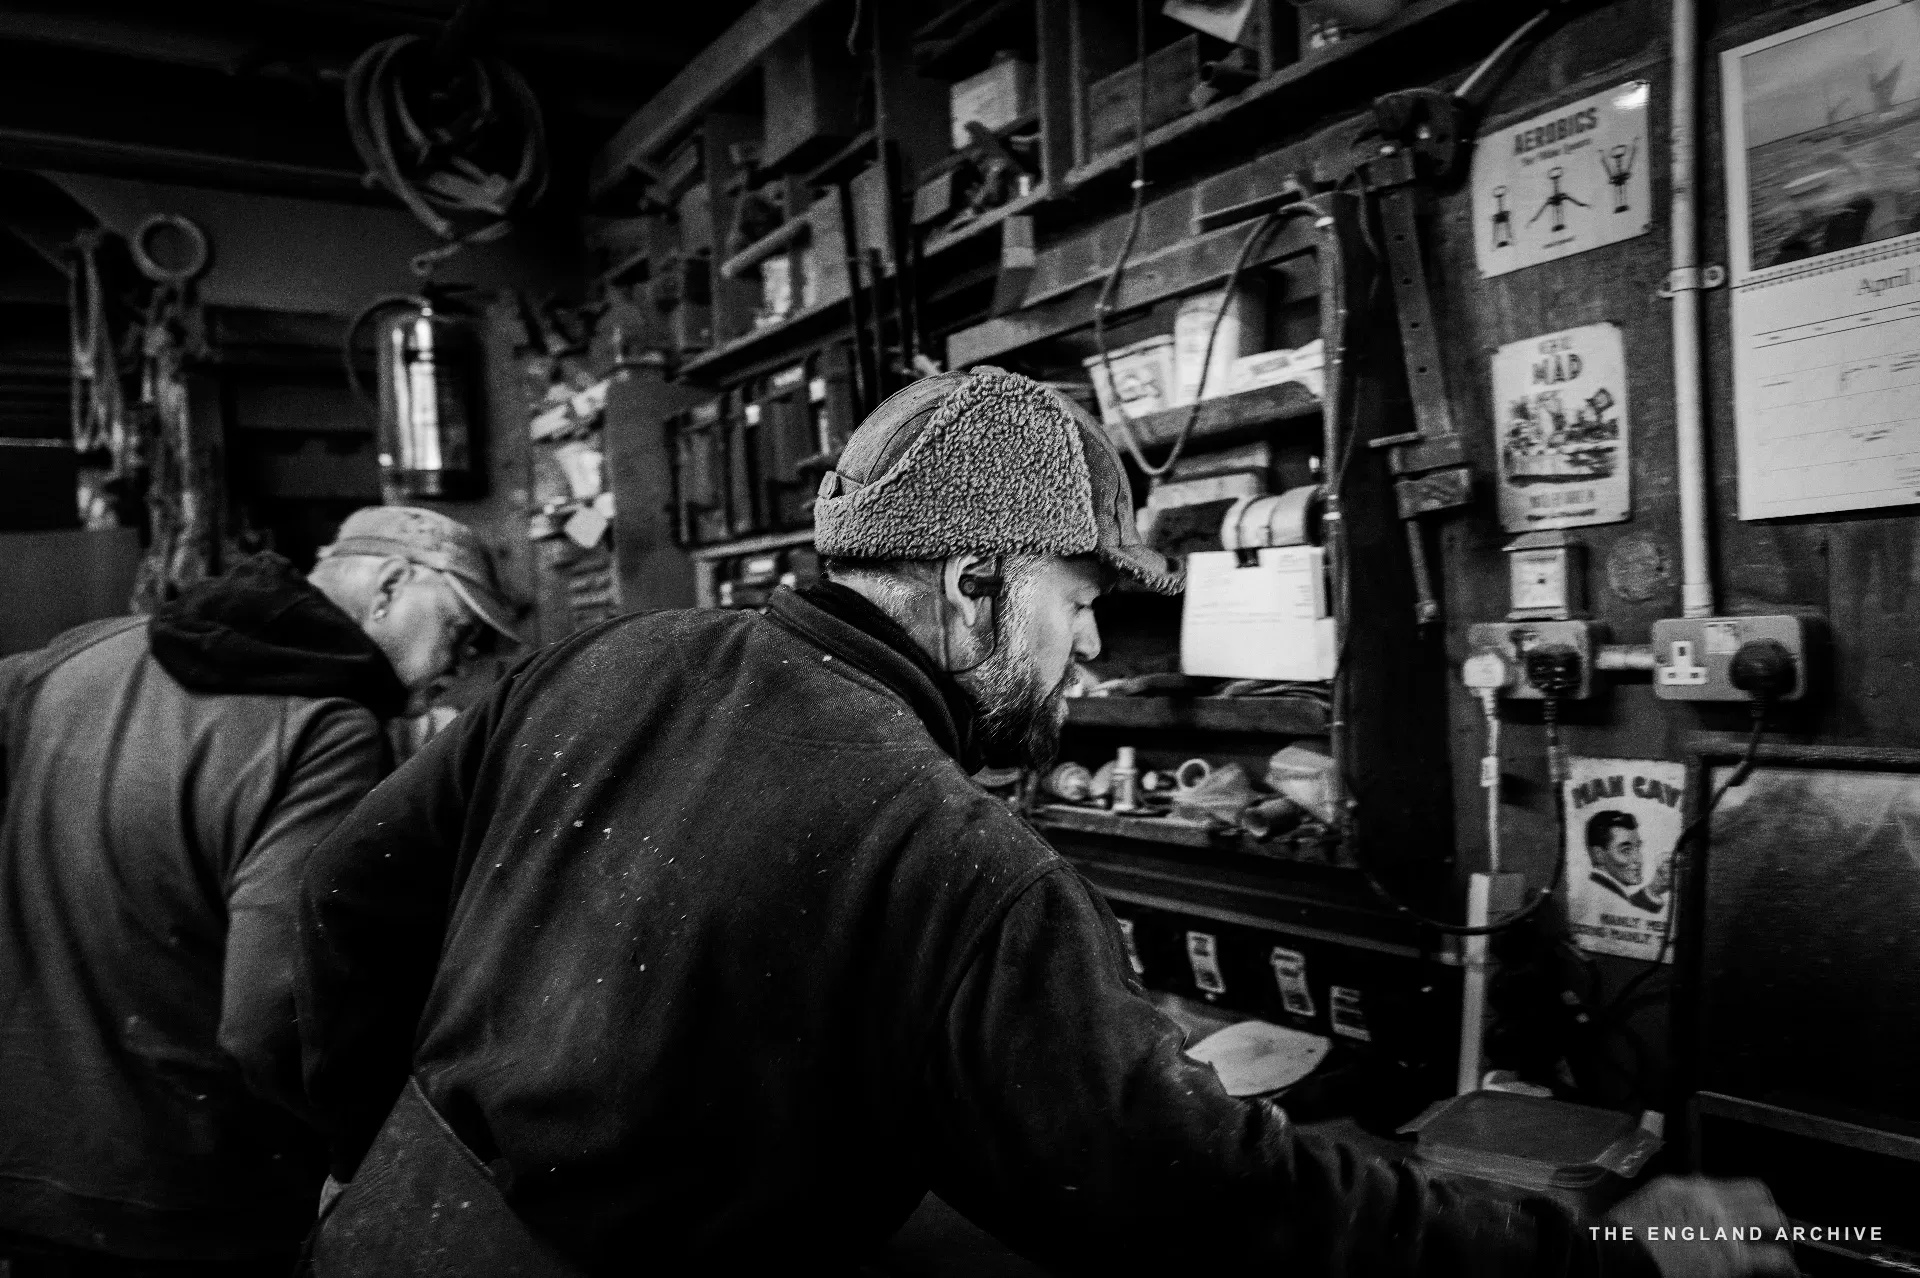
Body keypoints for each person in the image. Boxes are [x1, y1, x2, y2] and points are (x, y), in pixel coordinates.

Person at [296, 368, 1794, 1278]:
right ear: (970, 579)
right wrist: (1590, 1247)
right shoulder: (949, 854)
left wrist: (375, 1141)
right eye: (1078, 600)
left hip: (388, 1227)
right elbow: (1195, 1201)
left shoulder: (603, 663)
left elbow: (346, 901)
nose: (1091, 651)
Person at [0, 506, 514, 1276]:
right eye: (461, 633)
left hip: (24, 1168)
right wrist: (364, 1152)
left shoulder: (83, 654)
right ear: (391, 585)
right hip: (187, 1201)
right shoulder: (328, 730)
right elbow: (271, 1018)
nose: (458, 670)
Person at [1585, 810, 1647, 906]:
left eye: (1638, 848)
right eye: (1626, 850)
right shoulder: (1606, 898)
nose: (1639, 860)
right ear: (1599, 855)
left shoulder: (1615, 896)